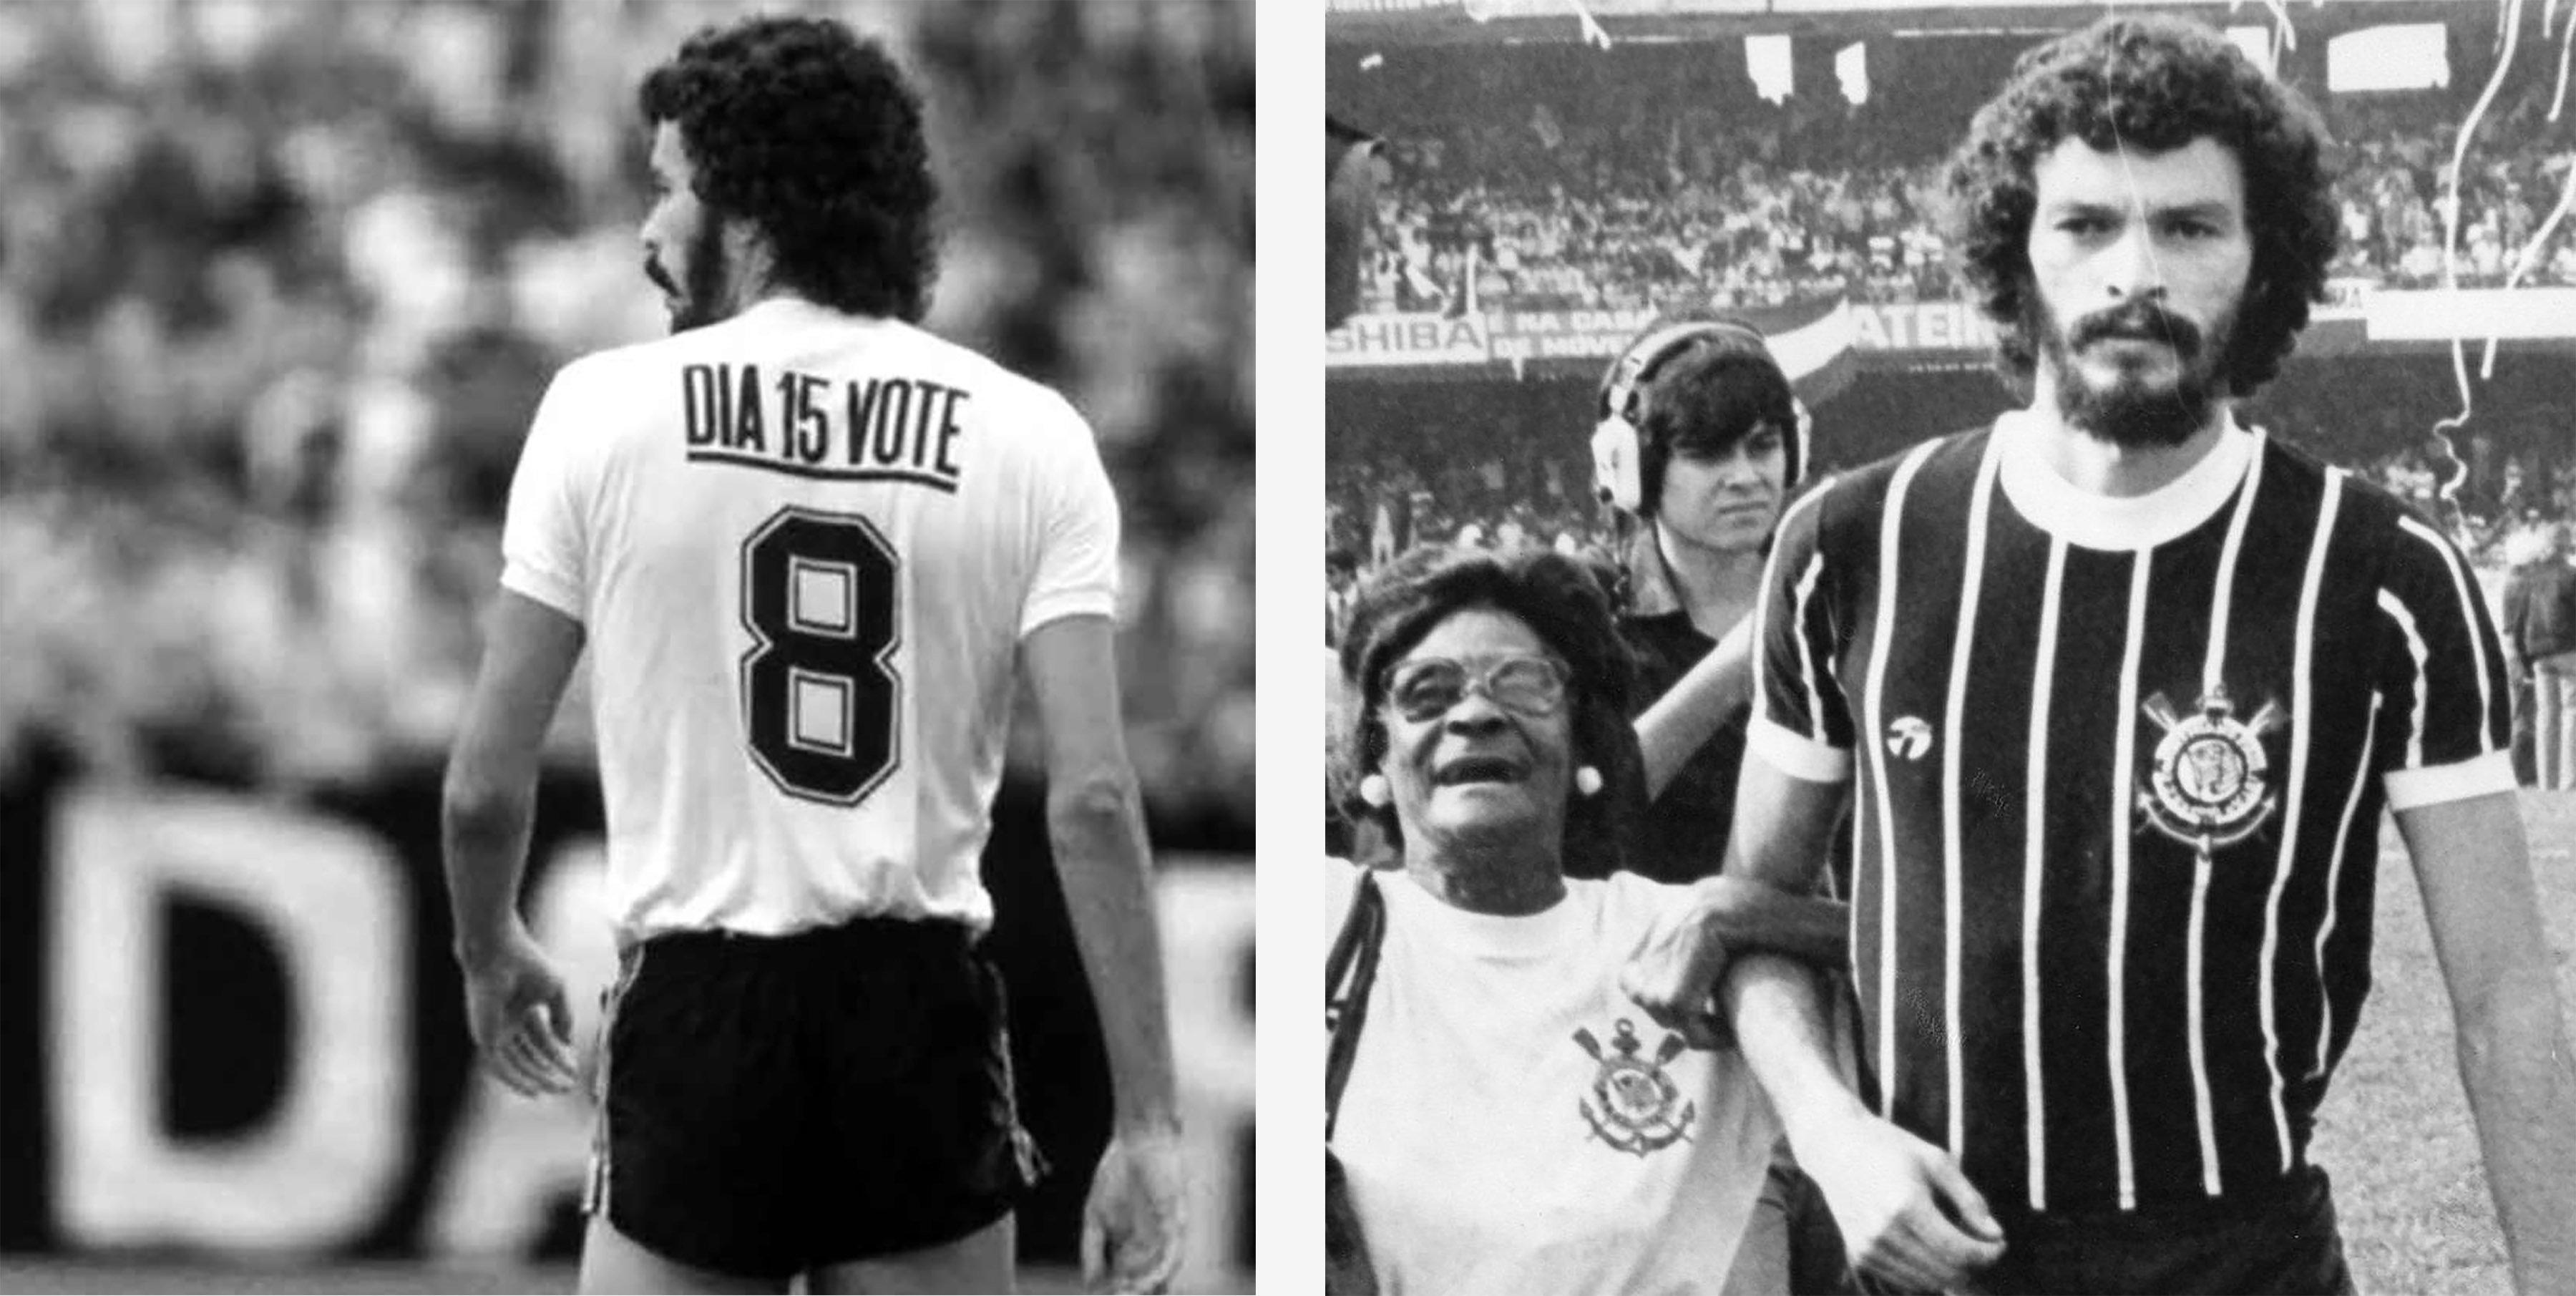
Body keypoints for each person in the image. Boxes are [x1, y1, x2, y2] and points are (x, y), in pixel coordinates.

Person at [1623, 16, 2576, 1295]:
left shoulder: (2388, 576)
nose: (2135, 273)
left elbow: (2506, 1003)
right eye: (2085, 225)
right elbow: (1756, 920)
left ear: (2264, 258)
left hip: (2245, 1259)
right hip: (1935, 1258)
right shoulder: (1854, 543)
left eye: (2189, 227)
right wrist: (1838, 1138)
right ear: (2017, 251)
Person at [438, 17, 1183, 1295]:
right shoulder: (1033, 435)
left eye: (670, 185)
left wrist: (487, 947)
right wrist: (1150, 1122)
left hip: (698, 1000)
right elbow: (1099, 802)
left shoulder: (602, 411)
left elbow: (481, 789)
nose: (648, 227)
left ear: (751, 201)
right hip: (917, 1004)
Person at [1327, 544, 1794, 1294]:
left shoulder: (1683, 939)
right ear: (1376, 749)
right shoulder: (1328, 928)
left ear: (1582, 737)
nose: (1476, 713)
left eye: (1523, 682)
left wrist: (1766, 920)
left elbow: (1940, 988)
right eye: (1426, 691)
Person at [1588, 316, 1854, 1293]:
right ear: (1629, 468)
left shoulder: (1854, 598)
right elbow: (1588, 810)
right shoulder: (1587, 621)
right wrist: (1749, 657)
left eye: (1762, 445)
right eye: (1703, 451)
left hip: (1864, 1019)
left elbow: (1972, 791)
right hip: (1678, 1055)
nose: (1745, 474)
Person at [2502, 522, 2576, 790]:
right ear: (2566, 546)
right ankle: (2570, 780)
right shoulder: (2571, 575)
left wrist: (2522, 657)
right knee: (2572, 714)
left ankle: (2547, 781)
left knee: (2546, 717)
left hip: (2538, 655)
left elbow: (2520, 620)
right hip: (2568, 650)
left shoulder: (2531, 578)